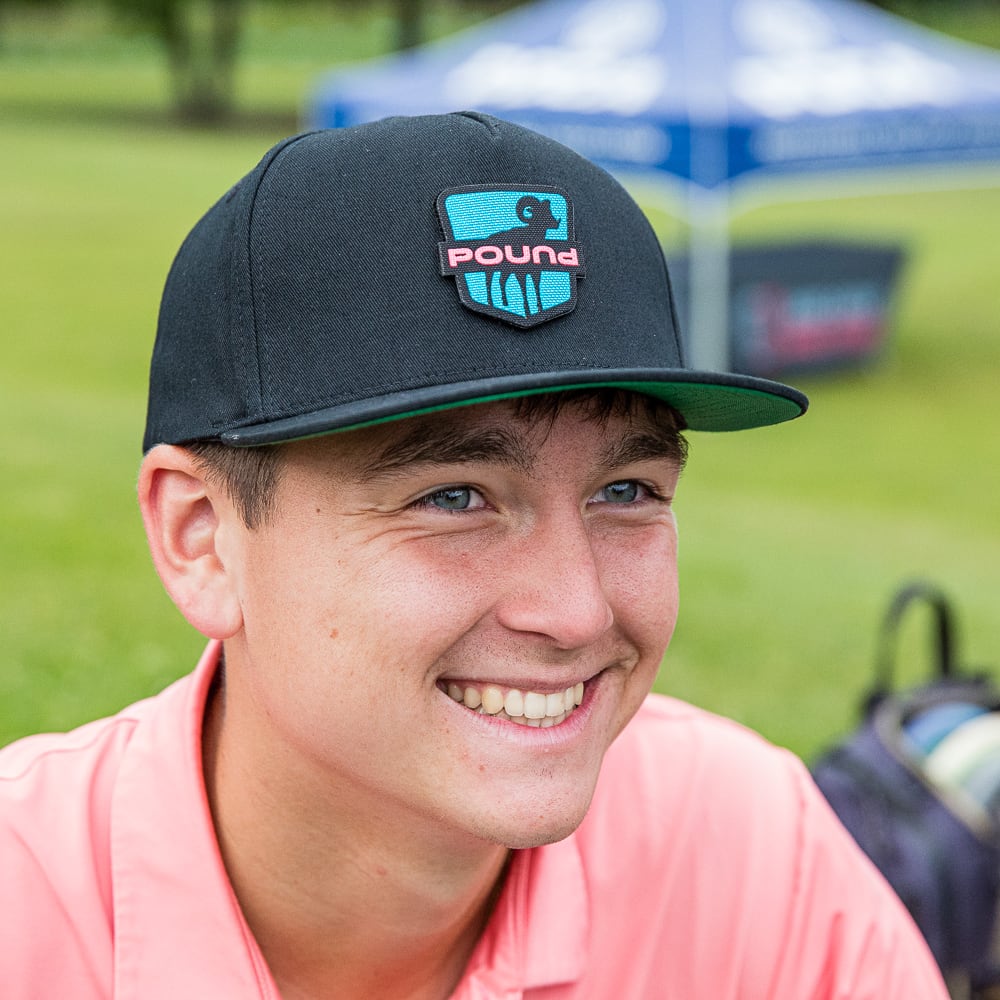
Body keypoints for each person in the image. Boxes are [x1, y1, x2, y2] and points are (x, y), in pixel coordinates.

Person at [0, 112, 948, 999]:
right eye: (453, 498)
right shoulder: (26, 904)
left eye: (627, 493)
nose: (576, 612)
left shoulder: (745, 846)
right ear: (201, 537)